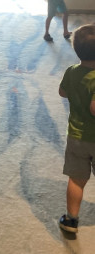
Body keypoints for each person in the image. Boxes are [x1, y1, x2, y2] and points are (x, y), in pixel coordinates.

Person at [58, 24, 95, 233]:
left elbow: (62, 92)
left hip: (76, 137)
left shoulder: (71, 71)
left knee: (77, 179)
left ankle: (71, 220)